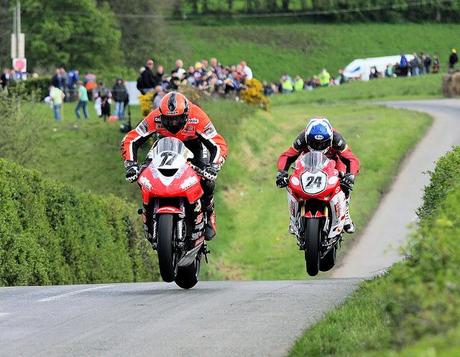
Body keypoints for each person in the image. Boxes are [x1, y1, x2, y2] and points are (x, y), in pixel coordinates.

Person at [120, 91, 228, 240]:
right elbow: (131, 139)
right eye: (168, 120)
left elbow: (218, 143)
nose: (173, 123)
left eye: (177, 119)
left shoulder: (198, 116)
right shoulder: (154, 116)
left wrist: (214, 166)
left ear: (186, 114)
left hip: (193, 148)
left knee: (208, 181)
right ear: (161, 115)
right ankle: (148, 211)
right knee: (143, 174)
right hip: (163, 147)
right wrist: (131, 164)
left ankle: (209, 214)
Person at [275, 118, 360, 234]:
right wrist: (281, 172)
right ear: (307, 139)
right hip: (309, 161)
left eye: (323, 143)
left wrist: (351, 175)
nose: (319, 147)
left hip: (333, 161)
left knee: (344, 181)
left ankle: (345, 216)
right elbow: (287, 156)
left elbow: (351, 159)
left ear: (329, 139)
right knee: (292, 181)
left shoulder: (337, 139)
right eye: (315, 143)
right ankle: (293, 220)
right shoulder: (302, 138)